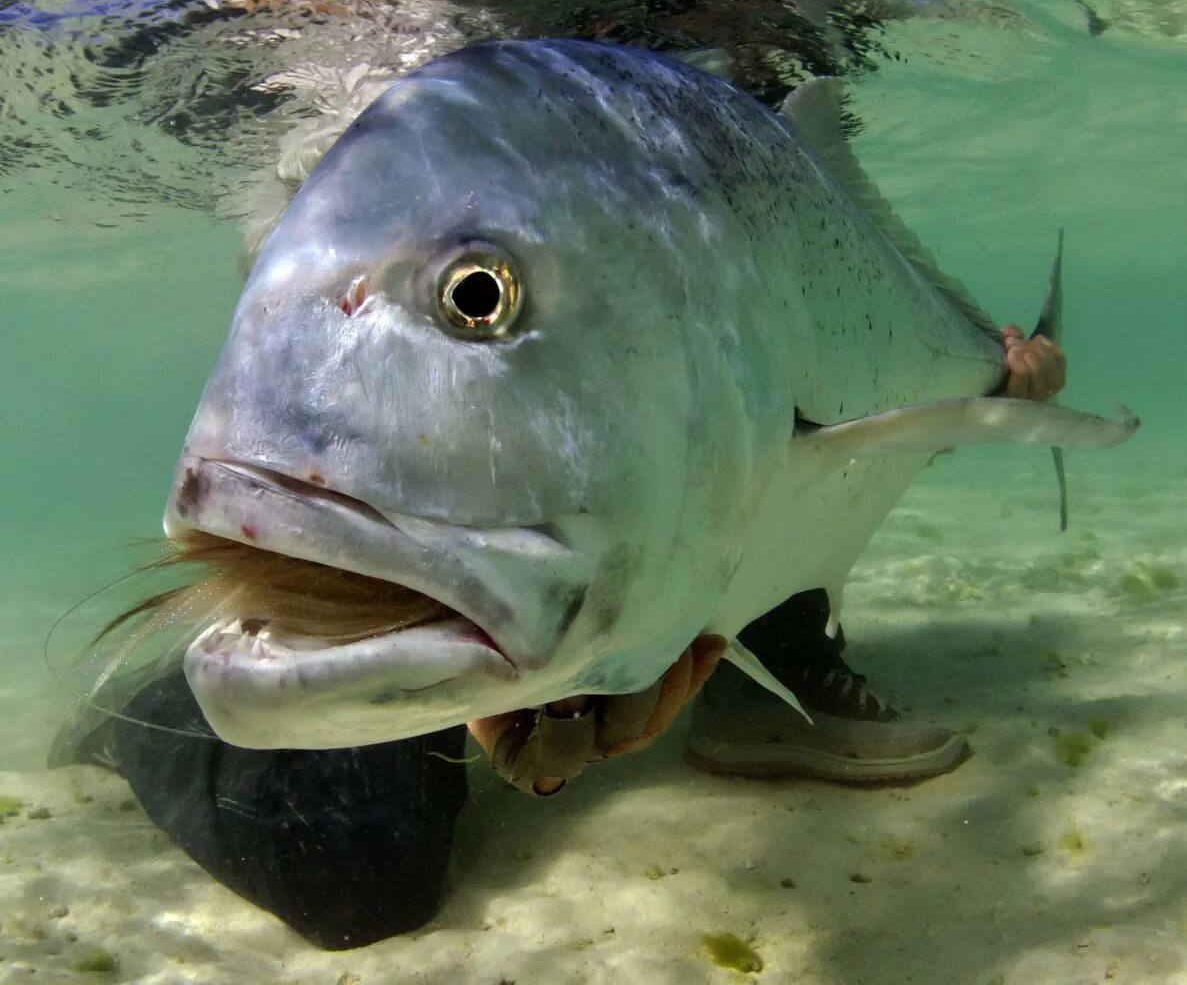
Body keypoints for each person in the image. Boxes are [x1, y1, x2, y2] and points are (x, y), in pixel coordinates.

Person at [60, 325, 1066, 949]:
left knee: (750, 421)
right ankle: (177, 707)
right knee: (354, 884)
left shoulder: (722, 96)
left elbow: (841, 379)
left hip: (678, 470)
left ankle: (772, 661)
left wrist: (976, 396)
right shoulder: (388, 105)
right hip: (445, 519)